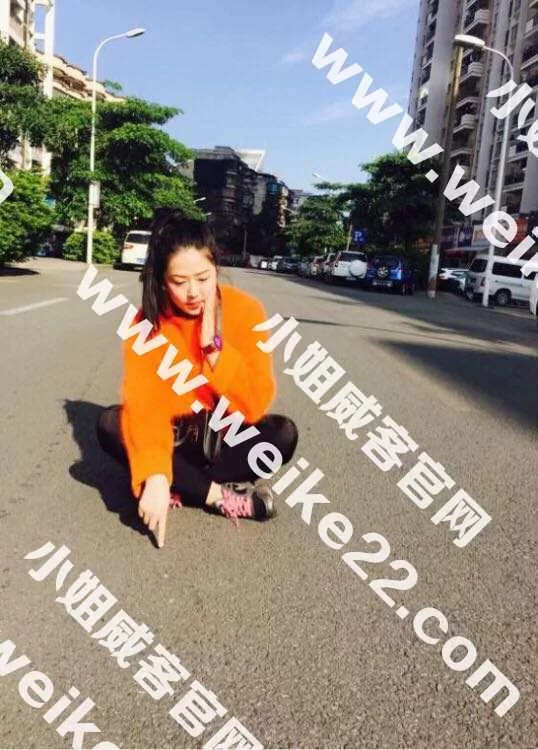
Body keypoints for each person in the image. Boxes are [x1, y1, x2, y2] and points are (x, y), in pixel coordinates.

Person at [97, 211, 298, 548]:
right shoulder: (147, 323)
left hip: (222, 439)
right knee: (111, 423)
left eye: (203, 278)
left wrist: (214, 350)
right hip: (175, 439)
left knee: (282, 434)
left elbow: (254, 404)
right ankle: (217, 495)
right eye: (179, 282)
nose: (193, 292)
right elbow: (145, 406)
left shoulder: (247, 310)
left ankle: (183, 484)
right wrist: (156, 474)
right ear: (162, 280)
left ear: (216, 268)